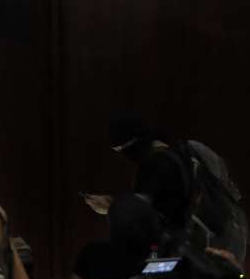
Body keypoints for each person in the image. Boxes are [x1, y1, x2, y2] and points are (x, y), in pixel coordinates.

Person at [88, 112, 247, 261]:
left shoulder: (154, 165)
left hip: (186, 258)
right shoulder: (182, 156)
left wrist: (110, 206)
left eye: (120, 149)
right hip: (214, 251)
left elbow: (143, 219)